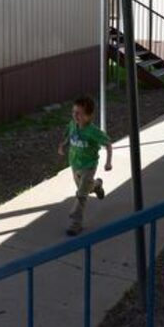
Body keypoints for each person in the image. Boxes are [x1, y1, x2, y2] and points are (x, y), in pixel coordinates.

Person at [57, 97, 113, 236]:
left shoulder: (93, 132)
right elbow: (68, 137)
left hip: (89, 166)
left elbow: (108, 144)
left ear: (89, 116)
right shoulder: (72, 125)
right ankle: (97, 185)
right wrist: (63, 145)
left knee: (81, 195)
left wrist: (108, 162)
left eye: (80, 113)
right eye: (73, 112)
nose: (75, 116)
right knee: (85, 189)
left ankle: (75, 223)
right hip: (75, 165)